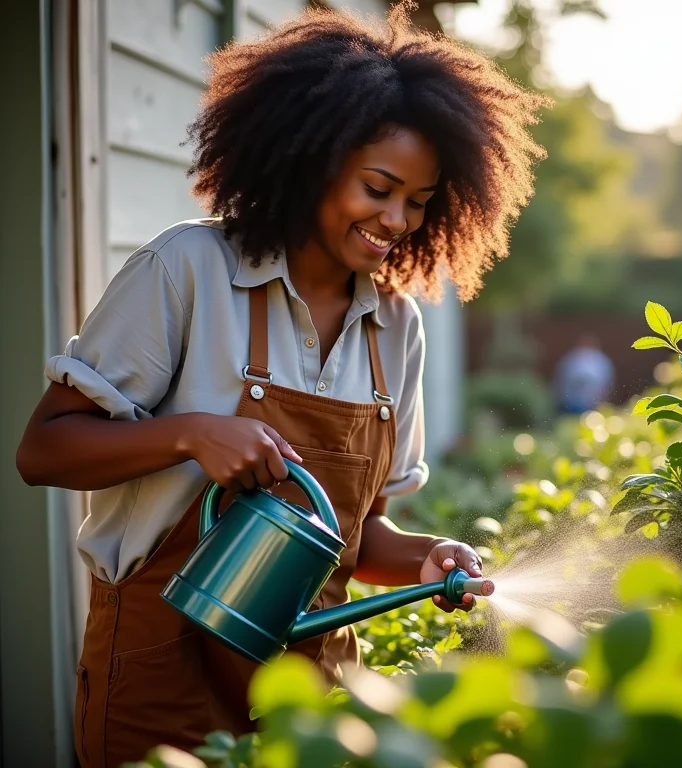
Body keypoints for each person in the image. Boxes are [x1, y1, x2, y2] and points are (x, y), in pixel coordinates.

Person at [16, 4, 547, 766]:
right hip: (162, 678)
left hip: (311, 698)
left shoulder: (395, 326)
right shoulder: (188, 271)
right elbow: (43, 450)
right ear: (312, 159)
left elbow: (355, 538)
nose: (397, 219)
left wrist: (426, 558)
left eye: (419, 201)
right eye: (378, 187)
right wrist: (191, 434)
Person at [553, 333, 616, 414]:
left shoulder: (601, 361)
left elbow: (607, 384)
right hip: (570, 403)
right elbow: (561, 380)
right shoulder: (570, 359)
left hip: (592, 403)